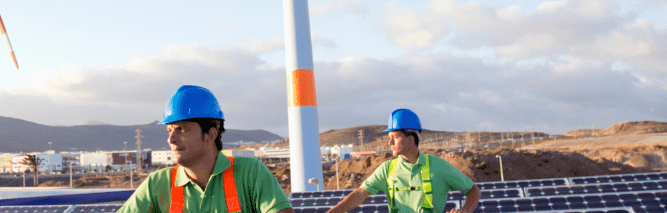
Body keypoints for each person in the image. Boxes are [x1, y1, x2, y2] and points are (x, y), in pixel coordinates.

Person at [118, 85, 293, 213]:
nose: (171, 139)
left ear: (210, 134)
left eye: (182, 129)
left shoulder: (249, 173)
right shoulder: (157, 184)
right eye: (169, 130)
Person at [325, 109, 479, 213]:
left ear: (410, 138)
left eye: (395, 137)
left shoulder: (438, 166)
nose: (389, 143)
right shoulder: (387, 169)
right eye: (389, 138)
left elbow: (473, 191)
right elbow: (360, 194)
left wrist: (465, 211)